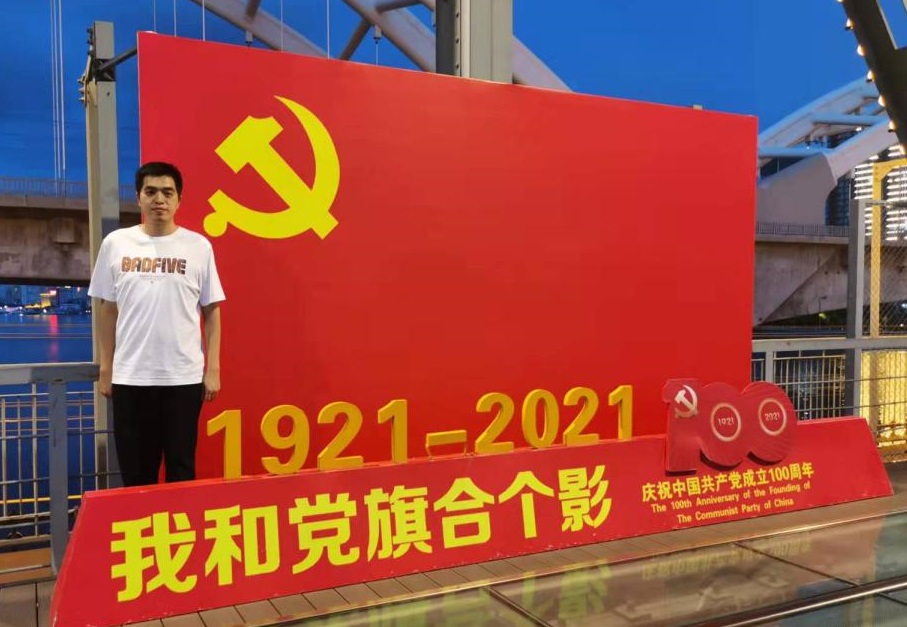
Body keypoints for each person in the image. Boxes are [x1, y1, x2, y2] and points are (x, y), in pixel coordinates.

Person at [88, 161, 225, 486]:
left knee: (181, 469)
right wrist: (106, 368)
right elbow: (108, 310)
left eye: (167, 192)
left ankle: (180, 521)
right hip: (130, 378)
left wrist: (213, 368)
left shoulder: (198, 247)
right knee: (137, 474)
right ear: (139, 197)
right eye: (150, 192)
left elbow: (211, 311)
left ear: (179, 200)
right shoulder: (116, 244)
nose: (159, 199)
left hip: (183, 379)